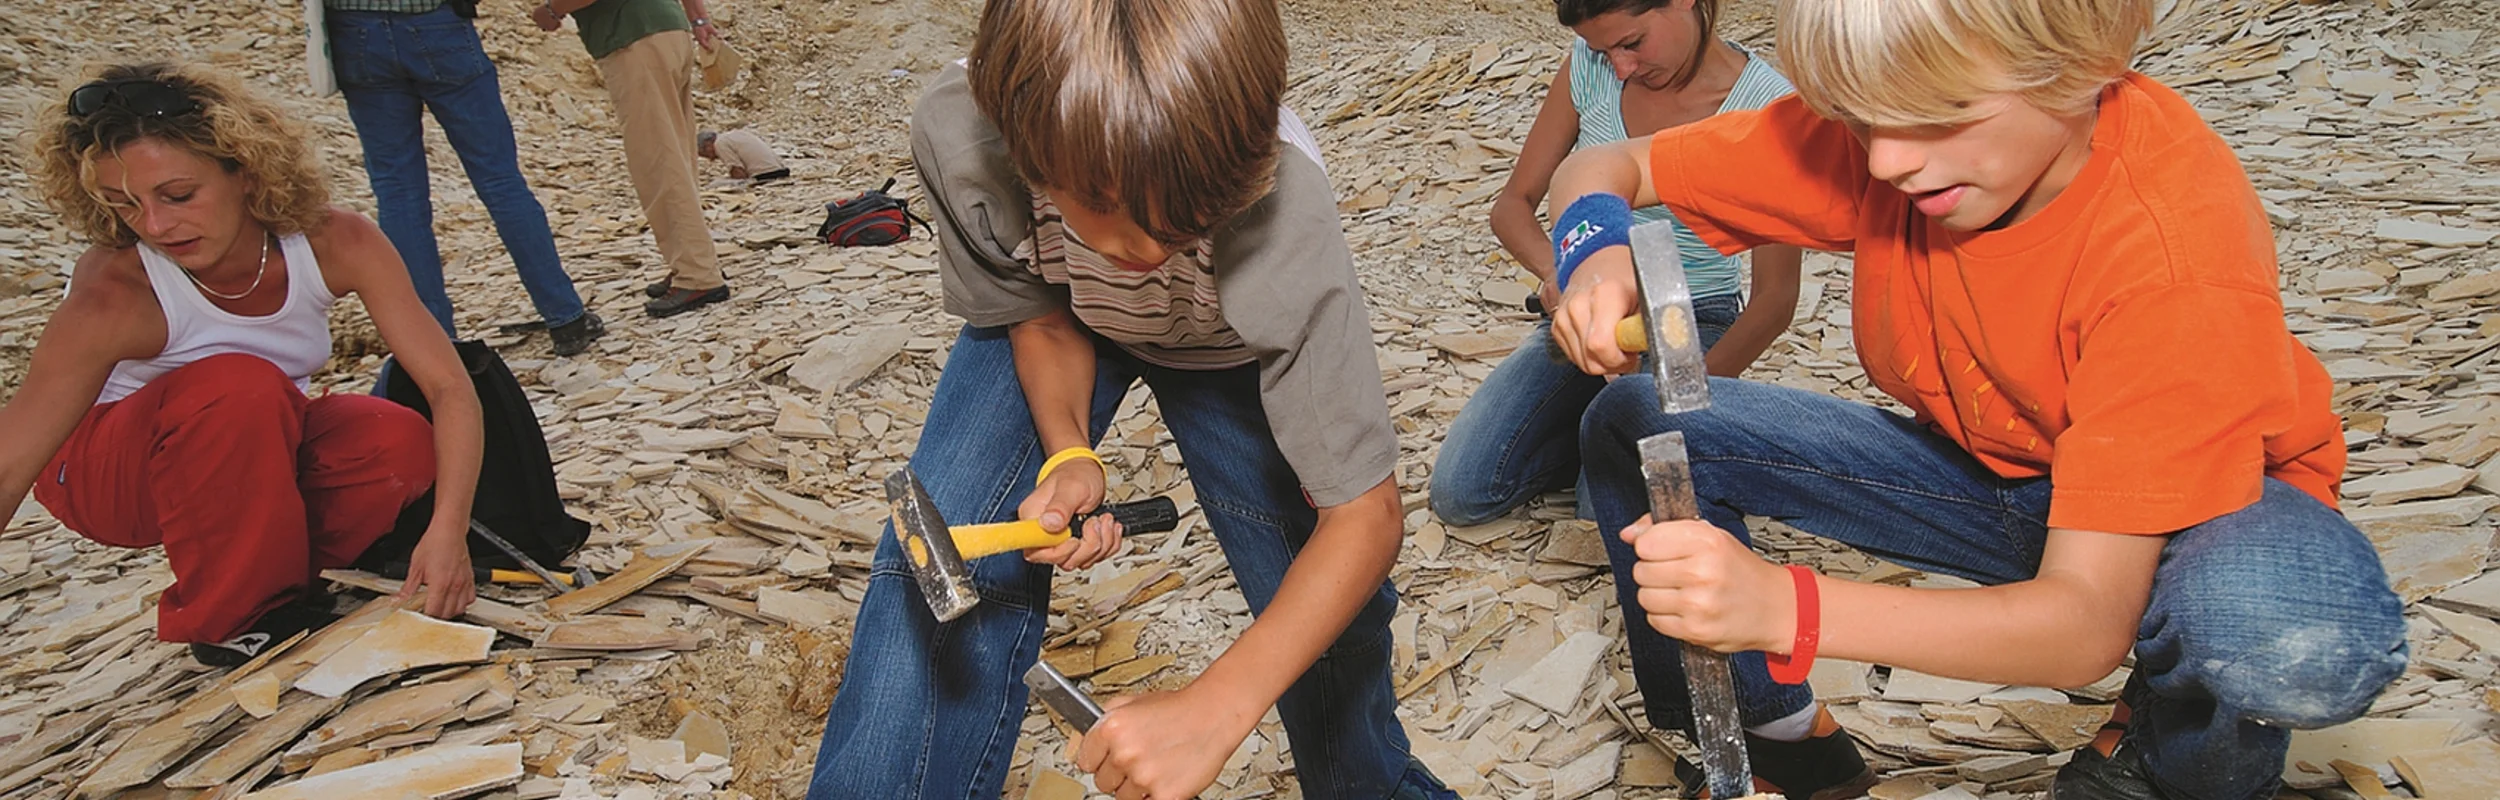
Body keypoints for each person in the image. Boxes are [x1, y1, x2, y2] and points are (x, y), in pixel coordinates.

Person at [1542, 0, 2407, 798]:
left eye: (1931, 115)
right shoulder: (1905, 125)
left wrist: (1785, 608)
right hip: (2005, 469)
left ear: (2073, 65)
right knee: (1635, 417)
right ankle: (1783, 735)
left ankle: (2161, 760)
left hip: (2204, 516)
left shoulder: (2172, 263)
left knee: (2291, 637)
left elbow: (2081, 628)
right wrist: (1597, 246)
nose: (1887, 159)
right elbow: (1605, 161)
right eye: (1863, 118)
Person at [805, 1, 1455, 798]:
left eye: (1184, 225)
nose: (1145, 252)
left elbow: (1364, 517)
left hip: (1229, 345)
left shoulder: (1285, 214)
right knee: (930, 567)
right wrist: (1070, 452)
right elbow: (1034, 311)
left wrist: (1216, 707)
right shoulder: (962, 135)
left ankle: (1372, 787)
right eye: (1107, 210)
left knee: (1319, 608)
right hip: (1059, 316)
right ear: (1026, 148)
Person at [9, 63, 485, 666]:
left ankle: (282, 584)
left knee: (393, 440)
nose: (155, 225)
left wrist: (448, 532)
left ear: (246, 169)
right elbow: (10, 463)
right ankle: (234, 617)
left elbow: (448, 387)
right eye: (124, 204)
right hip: (103, 471)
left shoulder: (336, 242)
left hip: (240, 445)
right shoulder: (118, 292)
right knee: (239, 384)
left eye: (178, 195)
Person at [1431, 0, 1803, 528]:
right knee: (1463, 492)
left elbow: (1774, 300)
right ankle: (1598, 432)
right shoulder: (1589, 67)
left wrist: (1686, 399)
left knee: (1605, 519)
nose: (1621, 66)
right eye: (1603, 50)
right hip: (1590, 302)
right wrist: (1562, 275)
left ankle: (1625, 441)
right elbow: (1512, 206)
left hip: (1691, 317)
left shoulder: (1767, 107)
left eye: (1631, 43)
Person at [325, 0, 607, 355]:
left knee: (397, 191)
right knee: (500, 179)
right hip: (435, 23)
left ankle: (434, 341)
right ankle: (564, 316)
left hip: (354, 29)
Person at [531, 0, 731, 318]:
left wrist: (553, 11)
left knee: (658, 160)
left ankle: (697, 274)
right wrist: (698, 19)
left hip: (634, 39)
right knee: (677, 155)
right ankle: (693, 261)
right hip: (668, 30)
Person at [696, 128, 788, 183]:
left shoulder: (719, 144)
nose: (710, 159)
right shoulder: (735, 134)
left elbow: (739, 174)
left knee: (715, 184)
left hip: (766, 175)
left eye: (706, 154)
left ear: (708, 145)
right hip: (782, 170)